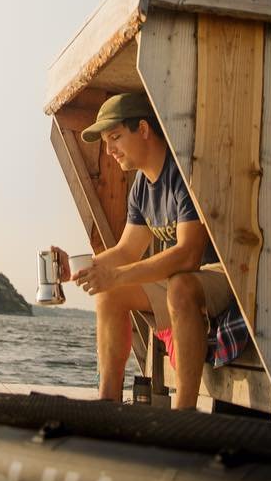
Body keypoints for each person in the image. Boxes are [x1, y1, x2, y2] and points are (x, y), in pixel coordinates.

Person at [54, 91, 237, 408]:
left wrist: (118, 274)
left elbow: (188, 254)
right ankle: (107, 403)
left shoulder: (183, 173)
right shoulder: (140, 186)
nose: (109, 150)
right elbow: (126, 251)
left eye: (115, 137)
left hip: (219, 276)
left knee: (179, 285)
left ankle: (184, 413)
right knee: (111, 293)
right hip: (178, 278)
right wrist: (77, 269)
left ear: (143, 128)